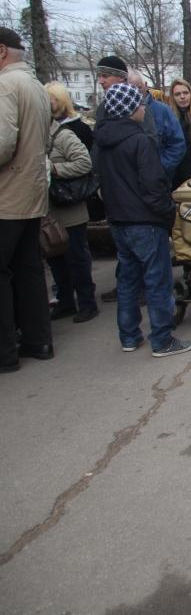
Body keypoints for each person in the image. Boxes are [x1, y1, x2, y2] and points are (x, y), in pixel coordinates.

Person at [93, 82, 191, 357]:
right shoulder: (140, 141)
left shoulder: (102, 143)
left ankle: (129, 336)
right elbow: (154, 185)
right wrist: (168, 213)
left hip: (118, 220)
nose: (142, 108)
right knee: (157, 280)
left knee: (128, 280)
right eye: (138, 104)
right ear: (128, 110)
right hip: (145, 221)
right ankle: (162, 339)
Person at [0, 27, 54, 372]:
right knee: (30, 268)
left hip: (7, 196)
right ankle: (39, 340)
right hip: (32, 192)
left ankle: (6, 353)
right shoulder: (35, 86)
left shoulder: (6, 85)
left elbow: (3, 144)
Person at [43, 84, 99, 324]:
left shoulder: (64, 135)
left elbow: (84, 164)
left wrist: (54, 168)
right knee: (55, 257)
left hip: (70, 209)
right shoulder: (35, 136)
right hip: (49, 209)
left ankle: (87, 302)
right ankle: (65, 301)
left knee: (76, 257)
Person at [126, 70, 186, 182]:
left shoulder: (163, 111)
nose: (136, 93)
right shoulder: (123, 113)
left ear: (145, 85)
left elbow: (177, 145)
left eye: (138, 87)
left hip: (158, 180)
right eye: (131, 89)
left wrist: (159, 169)